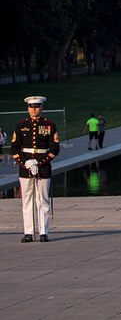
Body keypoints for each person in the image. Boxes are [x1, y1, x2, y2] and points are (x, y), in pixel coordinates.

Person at [12, 96, 60, 241]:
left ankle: (44, 232)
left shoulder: (49, 125)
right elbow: (15, 148)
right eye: (31, 107)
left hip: (43, 167)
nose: (34, 109)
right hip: (25, 167)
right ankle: (28, 232)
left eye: (37, 106)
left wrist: (38, 163)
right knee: (27, 201)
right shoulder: (21, 125)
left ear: (41, 108)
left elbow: (54, 148)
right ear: (28, 109)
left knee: (43, 201)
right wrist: (26, 162)